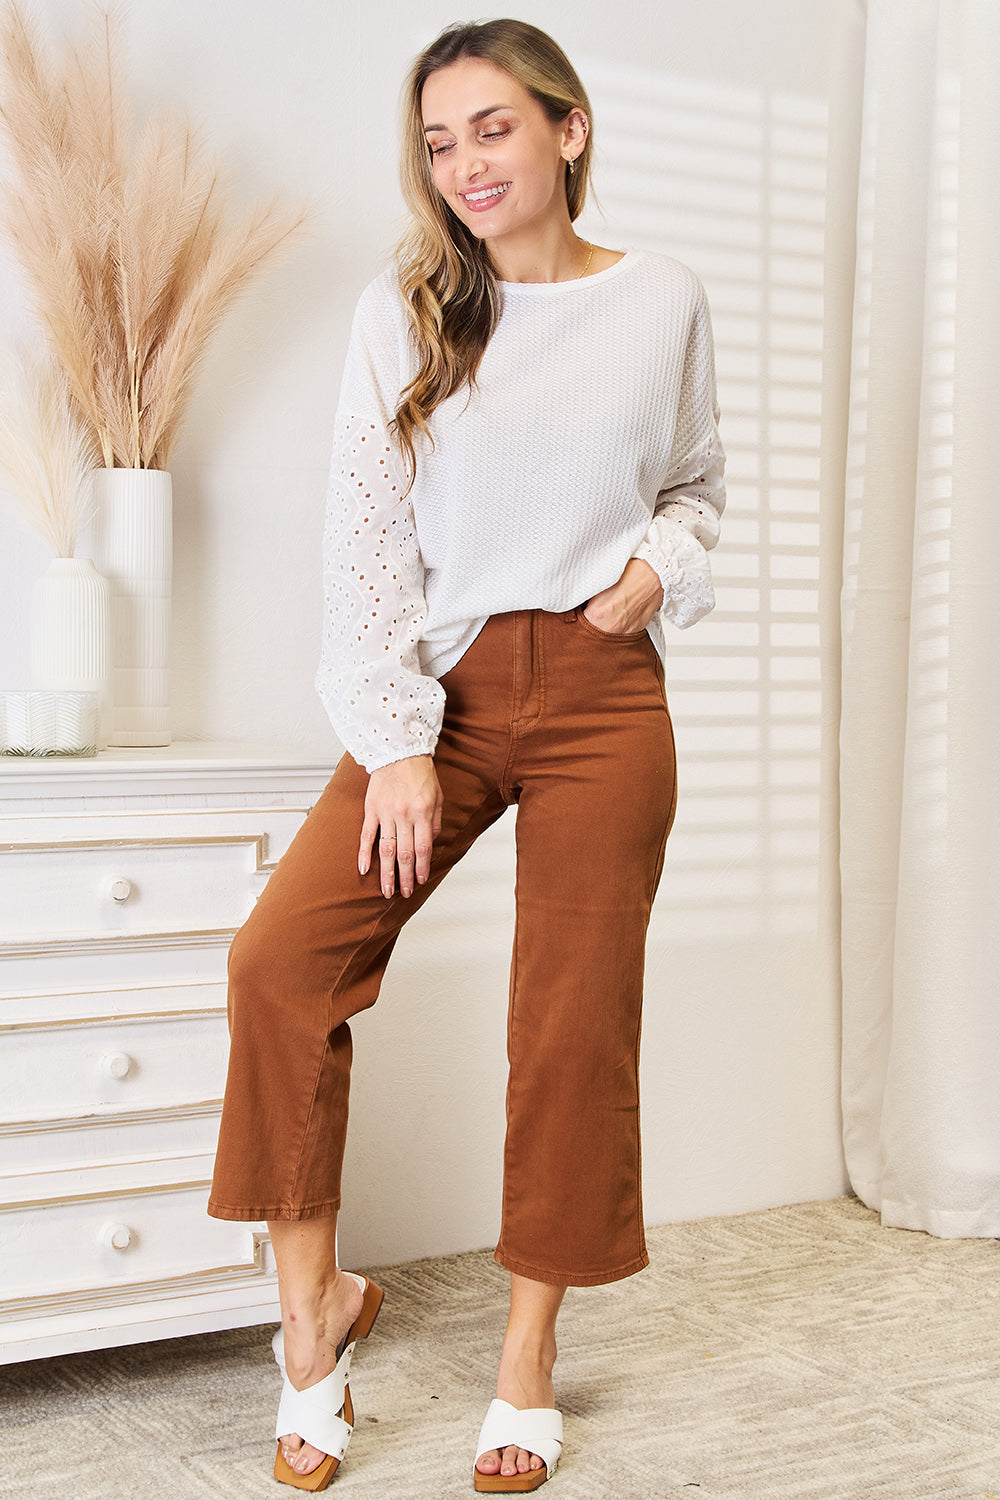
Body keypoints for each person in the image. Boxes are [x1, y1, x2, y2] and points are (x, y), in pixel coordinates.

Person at [208, 16, 725, 1494]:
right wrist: (394, 742)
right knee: (279, 965)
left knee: (567, 1027)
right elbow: (366, 534)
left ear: (568, 130)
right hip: (443, 689)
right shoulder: (412, 304)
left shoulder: (664, 299)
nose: (466, 164)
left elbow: (698, 483)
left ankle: (527, 1363)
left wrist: (655, 575)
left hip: (608, 690)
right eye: (440, 142)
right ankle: (314, 1331)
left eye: (493, 129)